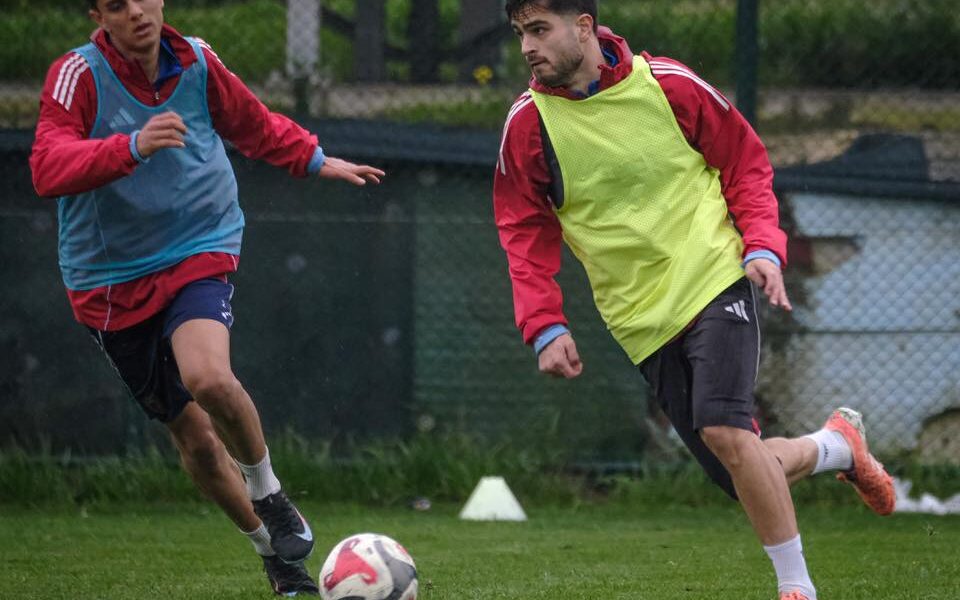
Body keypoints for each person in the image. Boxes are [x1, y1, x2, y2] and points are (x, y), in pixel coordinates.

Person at [493, 2, 896, 599]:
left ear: (583, 27)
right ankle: (836, 446)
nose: (527, 46)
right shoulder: (528, 125)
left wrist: (762, 245)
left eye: (539, 29)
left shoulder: (669, 85)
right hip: (640, 319)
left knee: (724, 430)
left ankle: (797, 588)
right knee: (740, 471)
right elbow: (522, 230)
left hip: (714, 276)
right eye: (520, 33)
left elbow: (745, 164)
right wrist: (545, 325)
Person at [30, 0, 385, 595]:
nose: (136, 12)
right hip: (110, 282)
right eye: (117, 4)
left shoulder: (195, 60)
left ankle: (270, 494)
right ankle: (273, 552)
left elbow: (252, 123)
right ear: (98, 15)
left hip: (199, 243)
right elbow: (46, 166)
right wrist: (131, 146)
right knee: (195, 440)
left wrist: (313, 159)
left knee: (210, 377)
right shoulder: (78, 75)